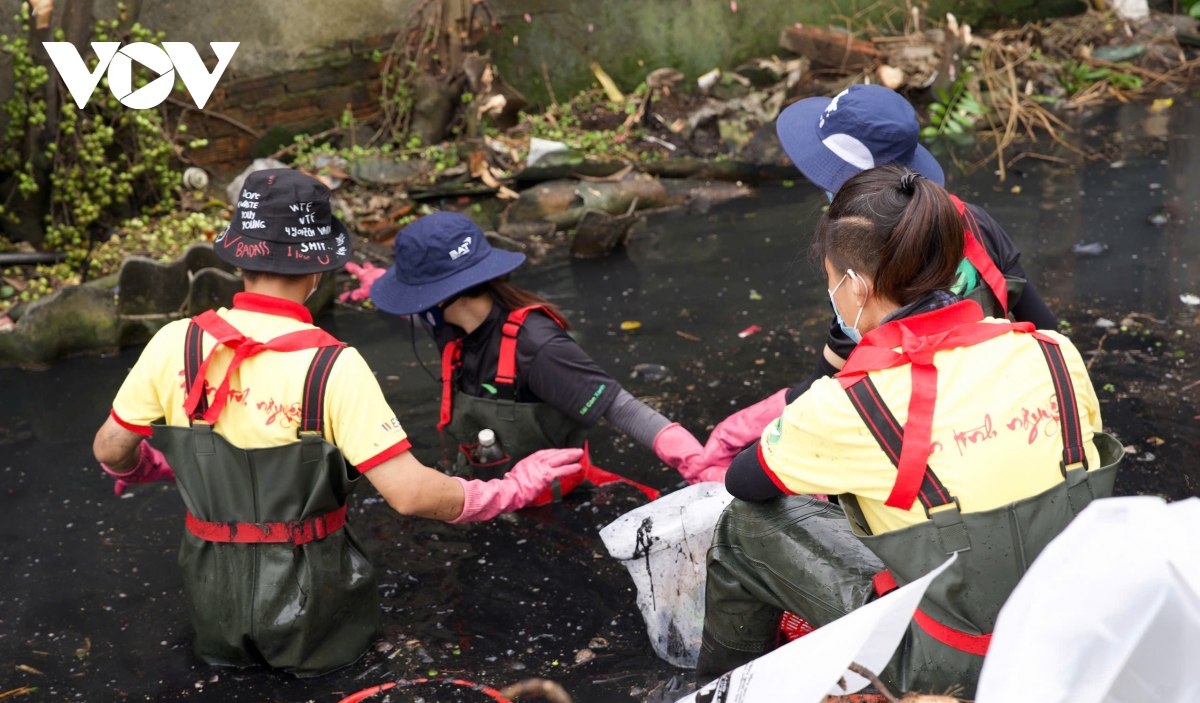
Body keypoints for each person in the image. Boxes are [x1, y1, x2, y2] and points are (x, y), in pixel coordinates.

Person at [91, 170, 583, 677]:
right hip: (316, 607)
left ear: (239, 260)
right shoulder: (333, 366)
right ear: (317, 273)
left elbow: (111, 450)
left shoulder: (175, 342)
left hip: (211, 595)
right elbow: (410, 494)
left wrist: (156, 466)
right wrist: (510, 488)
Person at [694, 165, 1122, 696]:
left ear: (856, 286)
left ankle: (718, 689)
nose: (831, 291)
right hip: (1069, 635)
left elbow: (744, 483)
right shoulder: (1054, 353)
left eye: (831, 279)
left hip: (949, 661)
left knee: (742, 529)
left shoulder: (846, 405)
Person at [698, 84, 1059, 476]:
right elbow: (1046, 329)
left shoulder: (858, 278)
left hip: (920, 455)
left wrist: (752, 430)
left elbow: (822, 388)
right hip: (1006, 422)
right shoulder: (972, 221)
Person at [368, 212, 712, 498]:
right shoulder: (448, 324)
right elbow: (414, 314)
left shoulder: (538, 347)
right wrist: (373, 280)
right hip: (482, 492)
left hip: (550, 499)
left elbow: (621, 409)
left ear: (442, 297)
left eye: (416, 293)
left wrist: (695, 461)